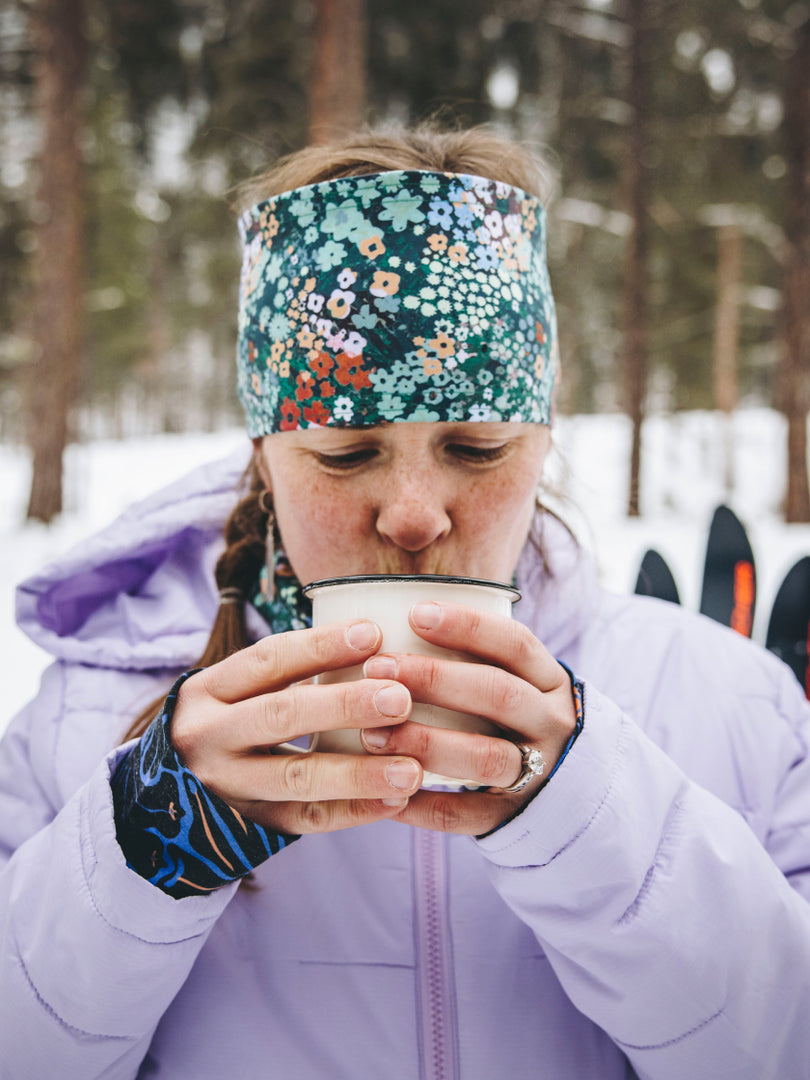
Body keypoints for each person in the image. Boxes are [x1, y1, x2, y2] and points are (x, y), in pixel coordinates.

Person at [1, 123, 809, 1080]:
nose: (416, 515)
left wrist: (606, 825)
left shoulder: (732, 706)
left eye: (477, 447)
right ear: (264, 454)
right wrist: (141, 847)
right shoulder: (86, 718)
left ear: (544, 439)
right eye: (347, 454)